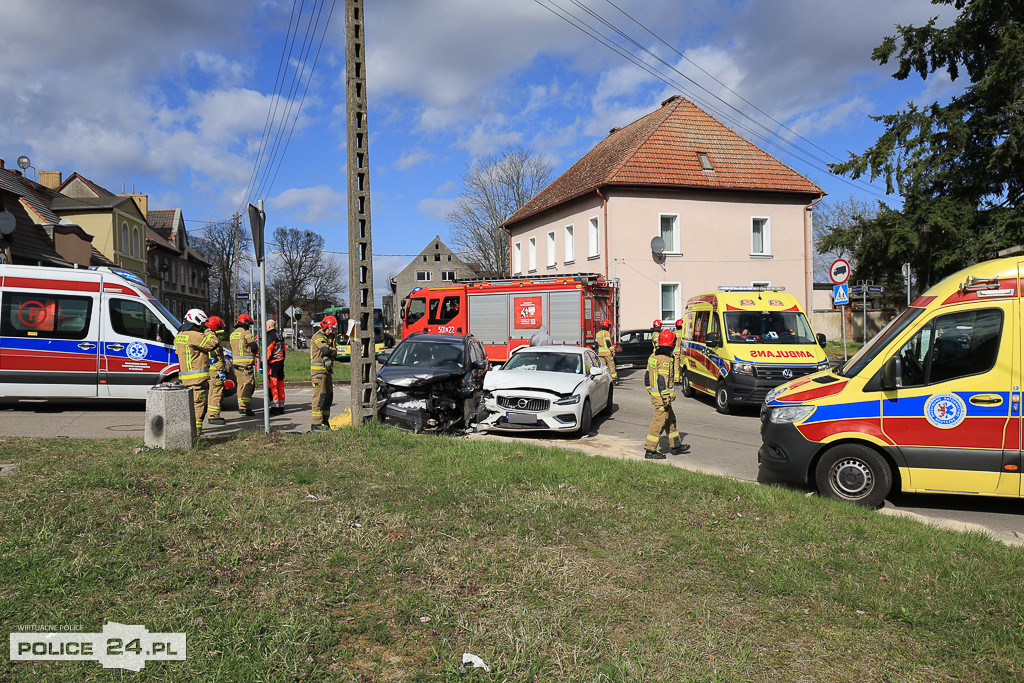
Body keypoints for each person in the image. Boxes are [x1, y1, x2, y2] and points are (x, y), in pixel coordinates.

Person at [644, 328, 690, 459]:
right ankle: (650, 449)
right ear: (671, 344)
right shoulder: (665, 360)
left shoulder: (653, 356)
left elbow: (647, 377)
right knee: (658, 422)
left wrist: (650, 391)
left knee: (670, 420)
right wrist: (665, 398)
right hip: (663, 399)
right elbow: (662, 381)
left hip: (658, 397)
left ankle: (676, 445)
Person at [173, 308, 219, 437]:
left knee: (188, 407)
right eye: (202, 324)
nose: (203, 326)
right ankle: (195, 434)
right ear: (196, 322)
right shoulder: (194, 336)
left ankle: (188, 432)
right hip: (197, 380)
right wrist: (209, 331)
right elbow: (213, 344)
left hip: (185, 379)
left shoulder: (179, 336)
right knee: (199, 407)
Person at [310, 315, 341, 431]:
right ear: (325, 326)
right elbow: (326, 350)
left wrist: (333, 351)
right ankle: (316, 424)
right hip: (318, 373)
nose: (330, 331)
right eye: (330, 329)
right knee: (320, 397)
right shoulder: (318, 336)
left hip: (327, 372)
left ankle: (324, 422)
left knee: (328, 397)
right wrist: (333, 351)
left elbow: (335, 353)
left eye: (332, 330)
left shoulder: (328, 338)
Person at [230, 314, 258, 416]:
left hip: (236, 364)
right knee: (248, 385)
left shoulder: (233, 334)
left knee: (240, 385)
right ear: (245, 323)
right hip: (246, 364)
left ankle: (241, 406)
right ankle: (246, 407)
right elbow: (253, 346)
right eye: (249, 324)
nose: (249, 326)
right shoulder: (246, 332)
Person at [205, 316, 228, 425]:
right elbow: (216, 356)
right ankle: (213, 416)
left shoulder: (205, 334)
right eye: (219, 327)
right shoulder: (212, 336)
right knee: (216, 392)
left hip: (210, 370)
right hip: (215, 371)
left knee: (211, 392)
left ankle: (211, 414)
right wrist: (220, 370)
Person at [266, 319, 286, 415]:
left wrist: (263, 363)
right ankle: (281, 406)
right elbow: (284, 351)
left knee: (273, 385)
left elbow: (268, 350)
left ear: (269, 326)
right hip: (281, 363)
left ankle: (274, 407)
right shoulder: (280, 336)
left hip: (273, 364)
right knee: (280, 384)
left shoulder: (270, 336)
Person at [594, 319, 618, 383]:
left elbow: (596, 344)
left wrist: (596, 352)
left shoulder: (598, 333)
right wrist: (612, 351)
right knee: (611, 365)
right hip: (607, 353)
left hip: (600, 353)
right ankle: (614, 379)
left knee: (603, 367)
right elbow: (608, 343)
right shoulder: (607, 333)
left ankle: (603, 380)